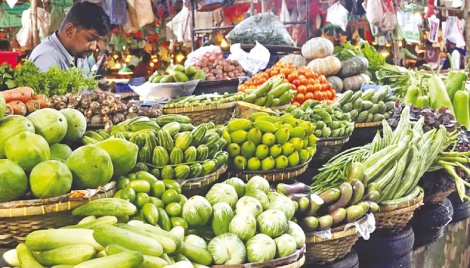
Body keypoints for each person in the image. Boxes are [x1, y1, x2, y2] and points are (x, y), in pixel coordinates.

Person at [29, 1, 110, 77]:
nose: (93, 47)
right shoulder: (46, 59)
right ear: (69, 30)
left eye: (97, 40)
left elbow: (86, 89)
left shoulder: (78, 54)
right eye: (90, 38)